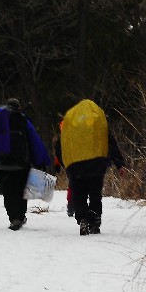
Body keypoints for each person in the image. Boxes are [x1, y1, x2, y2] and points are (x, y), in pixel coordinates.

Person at [56, 99, 126, 236]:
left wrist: (65, 165)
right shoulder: (97, 123)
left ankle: (82, 218)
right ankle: (94, 220)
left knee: (79, 194)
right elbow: (110, 143)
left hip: (75, 166)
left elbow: (60, 145)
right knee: (95, 193)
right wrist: (119, 164)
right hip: (97, 164)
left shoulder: (70, 123)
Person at [0, 98, 51, 231]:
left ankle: (13, 218)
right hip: (21, 163)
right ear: (19, 107)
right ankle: (20, 216)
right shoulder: (23, 121)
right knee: (21, 191)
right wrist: (40, 160)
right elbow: (34, 141)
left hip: (3, 163)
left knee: (8, 192)